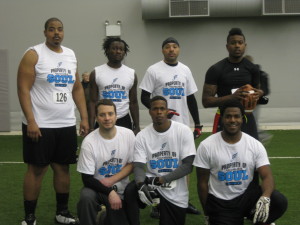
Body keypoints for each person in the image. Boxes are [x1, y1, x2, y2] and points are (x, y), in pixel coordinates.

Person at [17, 17, 89, 225]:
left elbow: (76, 88)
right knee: (37, 169)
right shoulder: (33, 54)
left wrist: (83, 118)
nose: (56, 33)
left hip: (65, 124)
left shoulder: (70, 55)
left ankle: (62, 213)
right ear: (45, 32)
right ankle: (29, 217)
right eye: (51, 29)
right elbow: (23, 89)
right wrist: (31, 120)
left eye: (60, 29)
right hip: (40, 125)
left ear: (63, 32)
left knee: (62, 168)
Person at [193, 99, 288, 225]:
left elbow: (267, 176)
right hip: (221, 203)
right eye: (228, 116)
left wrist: (265, 196)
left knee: (278, 201)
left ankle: (260, 221)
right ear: (222, 119)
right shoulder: (207, 146)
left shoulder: (254, 145)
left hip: (247, 197)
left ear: (242, 119)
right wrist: (207, 213)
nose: (233, 120)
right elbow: (202, 183)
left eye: (237, 116)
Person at [139, 37, 202, 216]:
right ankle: (157, 204)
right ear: (162, 50)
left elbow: (190, 98)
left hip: (182, 126)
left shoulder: (185, 70)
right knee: (160, 161)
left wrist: (197, 123)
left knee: (183, 163)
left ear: (179, 50)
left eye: (175, 47)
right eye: (167, 47)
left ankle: (183, 200)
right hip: (161, 126)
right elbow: (144, 96)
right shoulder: (153, 70)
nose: (171, 50)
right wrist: (160, 111)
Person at [124, 96, 197, 225]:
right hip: (151, 184)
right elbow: (139, 166)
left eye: (162, 108)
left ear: (167, 111)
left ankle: (161, 208)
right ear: (150, 111)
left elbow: (188, 166)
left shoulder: (183, 131)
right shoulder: (142, 136)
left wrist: (162, 180)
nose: (158, 112)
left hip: (174, 189)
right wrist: (141, 184)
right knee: (130, 190)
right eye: (155, 109)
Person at [77, 99, 135, 225]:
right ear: (96, 118)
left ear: (116, 115)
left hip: (122, 189)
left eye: (110, 114)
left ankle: (104, 217)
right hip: (98, 189)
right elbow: (86, 179)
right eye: (102, 115)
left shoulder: (128, 135)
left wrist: (111, 180)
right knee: (86, 196)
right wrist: (109, 191)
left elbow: (132, 164)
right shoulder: (89, 142)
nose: (107, 118)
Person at [202, 28, 264, 140]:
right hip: (224, 118)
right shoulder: (216, 69)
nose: (237, 46)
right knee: (220, 155)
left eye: (240, 43)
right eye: (233, 43)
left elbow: (258, 93)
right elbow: (206, 101)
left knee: (252, 154)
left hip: (247, 118)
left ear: (245, 45)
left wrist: (259, 94)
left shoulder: (252, 69)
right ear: (227, 46)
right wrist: (232, 97)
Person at [89, 37, 140, 135]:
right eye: (114, 48)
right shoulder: (96, 72)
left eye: (121, 49)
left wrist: (137, 126)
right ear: (107, 50)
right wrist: (91, 126)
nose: (118, 51)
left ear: (124, 53)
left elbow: (133, 102)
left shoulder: (131, 73)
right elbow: (92, 101)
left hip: (123, 118)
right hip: (104, 118)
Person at [244, 55, 272, 145]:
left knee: (252, 121)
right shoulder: (260, 73)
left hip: (254, 101)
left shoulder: (256, 74)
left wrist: (259, 93)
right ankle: (257, 138)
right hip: (249, 101)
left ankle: (261, 137)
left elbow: (265, 90)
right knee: (249, 121)